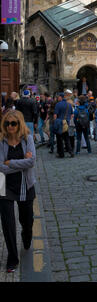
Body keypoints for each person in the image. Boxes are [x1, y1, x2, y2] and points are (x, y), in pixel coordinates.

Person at [0, 110, 36, 273]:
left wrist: (11, 163)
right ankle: (12, 259)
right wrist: (21, 162)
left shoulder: (27, 139)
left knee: (27, 221)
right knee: (8, 224)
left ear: (19, 124)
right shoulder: (1, 141)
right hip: (4, 186)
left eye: (13, 123)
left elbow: (31, 162)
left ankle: (26, 237)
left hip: (25, 186)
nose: (10, 126)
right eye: (7, 123)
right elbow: (0, 167)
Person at [53, 93, 74, 158]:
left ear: (61, 97)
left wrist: (55, 122)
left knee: (59, 139)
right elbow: (72, 115)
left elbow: (55, 115)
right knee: (67, 138)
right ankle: (70, 152)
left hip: (59, 123)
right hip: (66, 123)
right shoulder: (69, 105)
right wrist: (67, 120)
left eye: (58, 97)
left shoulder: (58, 104)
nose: (57, 98)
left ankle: (61, 154)